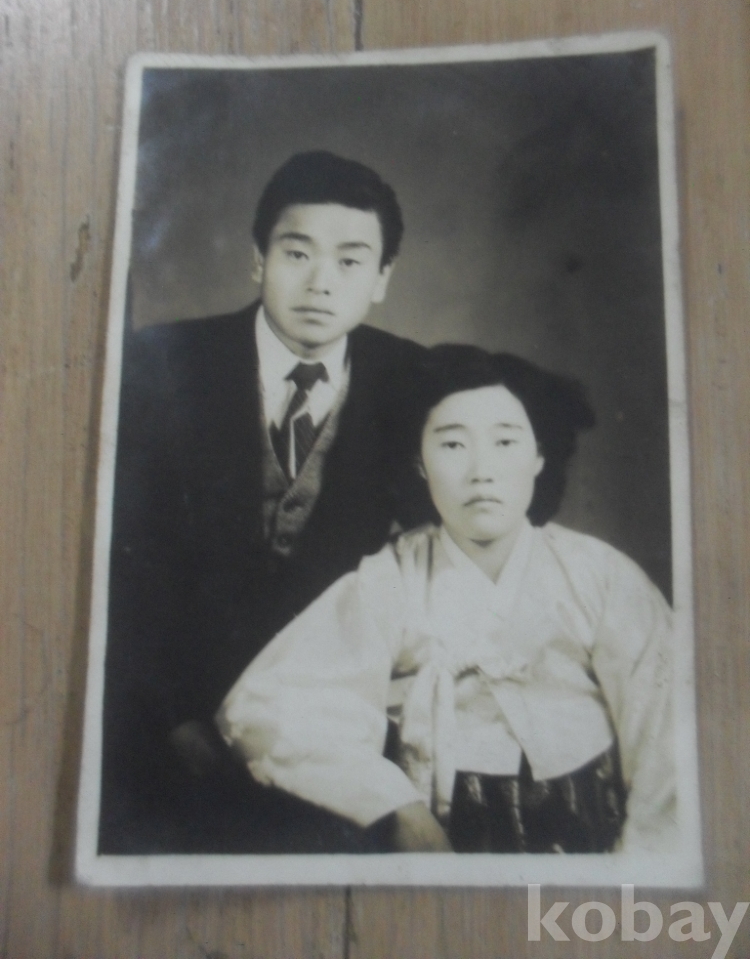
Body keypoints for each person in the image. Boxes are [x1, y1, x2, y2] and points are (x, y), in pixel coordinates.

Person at [218, 345, 677, 854]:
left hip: (593, 824)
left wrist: (641, 864)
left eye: (505, 442)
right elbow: (266, 707)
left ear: (540, 455)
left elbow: (666, 728)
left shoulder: (600, 576)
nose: (482, 471)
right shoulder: (390, 579)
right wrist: (394, 806)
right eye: (453, 444)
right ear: (419, 461)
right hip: (443, 828)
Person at [99, 151, 429, 854]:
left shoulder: (412, 379)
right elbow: (116, 562)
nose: (320, 282)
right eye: (296, 253)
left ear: (382, 279)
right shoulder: (159, 363)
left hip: (327, 740)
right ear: (257, 259)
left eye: (350, 261)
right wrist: (173, 715)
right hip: (161, 728)